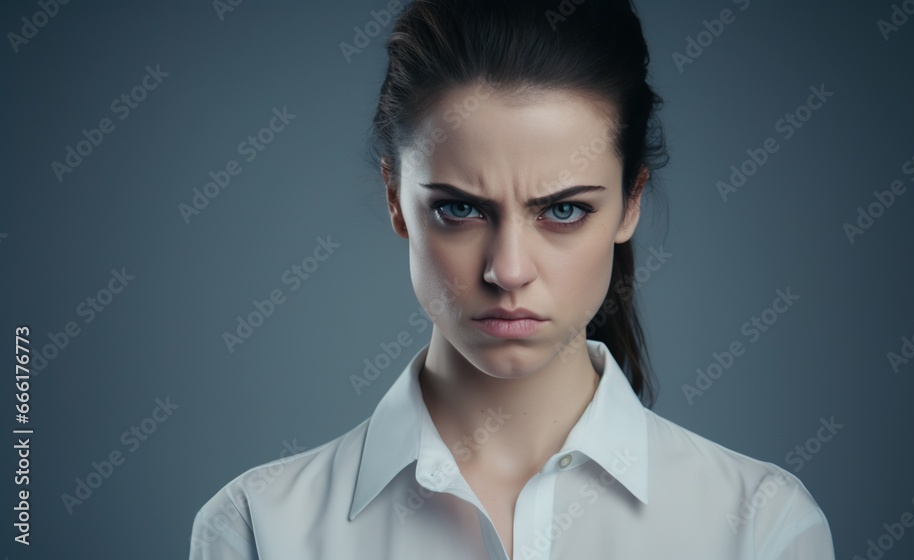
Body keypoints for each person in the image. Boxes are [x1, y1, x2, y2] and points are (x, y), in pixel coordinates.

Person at [188, 1, 836, 558]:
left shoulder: (763, 529)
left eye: (563, 210)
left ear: (630, 201)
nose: (508, 271)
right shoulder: (257, 531)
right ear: (394, 197)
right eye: (461, 209)